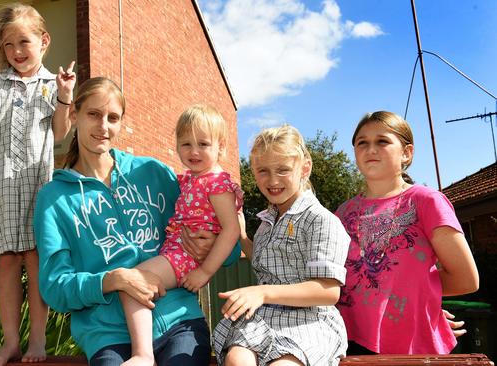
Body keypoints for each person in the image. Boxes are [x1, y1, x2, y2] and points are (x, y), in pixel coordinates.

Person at [33, 77, 240, 366]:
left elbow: (225, 240)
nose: (103, 126)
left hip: (177, 320)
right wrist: (112, 279)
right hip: (108, 334)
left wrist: (212, 248)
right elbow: (55, 287)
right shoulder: (53, 199)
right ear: (74, 114)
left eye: (113, 118)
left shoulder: (152, 172)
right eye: (93, 114)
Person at [0, 4, 76, 365]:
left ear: (43, 41)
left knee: (35, 258)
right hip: (0, 183)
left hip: (35, 184)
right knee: (8, 262)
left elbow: (60, 134)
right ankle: (11, 342)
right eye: (8, 44)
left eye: (23, 42)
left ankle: (38, 341)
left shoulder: (51, 85)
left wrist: (64, 96)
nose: (16, 51)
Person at [335, 111, 479, 355]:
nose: (371, 149)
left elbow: (466, 278)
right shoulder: (342, 212)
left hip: (412, 348)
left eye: (382, 141)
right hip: (348, 341)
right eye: (362, 142)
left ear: (406, 153)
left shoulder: (426, 201)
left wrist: (420, 304)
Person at [213, 125, 350, 366]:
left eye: (283, 170)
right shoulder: (268, 221)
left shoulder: (320, 219)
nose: (272, 180)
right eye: (263, 170)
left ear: (304, 168)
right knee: (236, 360)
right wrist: (243, 237)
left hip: (310, 320)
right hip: (267, 317)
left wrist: (261, 292)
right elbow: (271, 264)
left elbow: (328, 291)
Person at [119, 105, 243, 366]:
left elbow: (231, 230)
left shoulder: (217, 184)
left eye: (203, 144)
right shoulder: (190, 179)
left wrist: (205, 272)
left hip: (184, 257)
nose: (193, 151)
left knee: (131, 283)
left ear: (221, 147)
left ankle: (142, 354)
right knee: (134, 285)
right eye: (185, 143)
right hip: (176, 252)